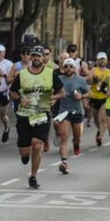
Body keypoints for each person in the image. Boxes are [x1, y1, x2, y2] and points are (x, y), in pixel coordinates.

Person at [8, 45, 64, 189]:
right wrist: (21, 99)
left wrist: (54, 97)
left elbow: (62, 92)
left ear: (43, 58)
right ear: (31, 57)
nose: (36, 58)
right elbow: (12, 91)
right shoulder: (22, 74)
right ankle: (25, 156)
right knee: (25, 150)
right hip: (24, 115)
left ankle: (33, 176)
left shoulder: (51, 74)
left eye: (38, 56)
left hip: (42, 114)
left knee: (37, 144)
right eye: (33, 56)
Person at [55, 58, 88, 174]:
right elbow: (53, 90)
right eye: (66, 67)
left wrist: (81, 96)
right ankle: (64, 161)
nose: (68, 69)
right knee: (64, 136)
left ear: (74, 68)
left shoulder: (80, 80)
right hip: (64, 111)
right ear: (63, 68)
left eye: (71, 66)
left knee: (77, 137)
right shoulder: (59, 79)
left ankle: (76, 144)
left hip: (77, 111)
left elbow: (89, 92)